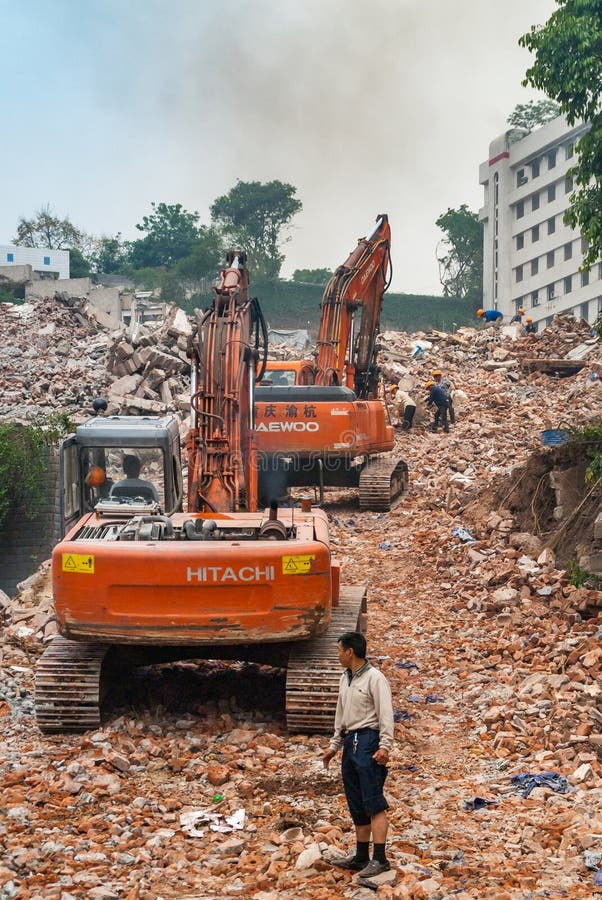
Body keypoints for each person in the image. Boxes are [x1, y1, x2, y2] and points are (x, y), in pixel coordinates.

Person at [323, 631, 394, 879]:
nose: (338, 654)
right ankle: (361, 856)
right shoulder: (346, 678)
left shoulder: (375, 678)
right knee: (356, 801)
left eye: (339, 650)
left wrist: (385, 746)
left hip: (368, 740)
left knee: (373, 801)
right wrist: (334, 746)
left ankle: (380, 859)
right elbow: (340, 714)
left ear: (350, 652)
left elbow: (385, 714)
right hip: (350, 740)